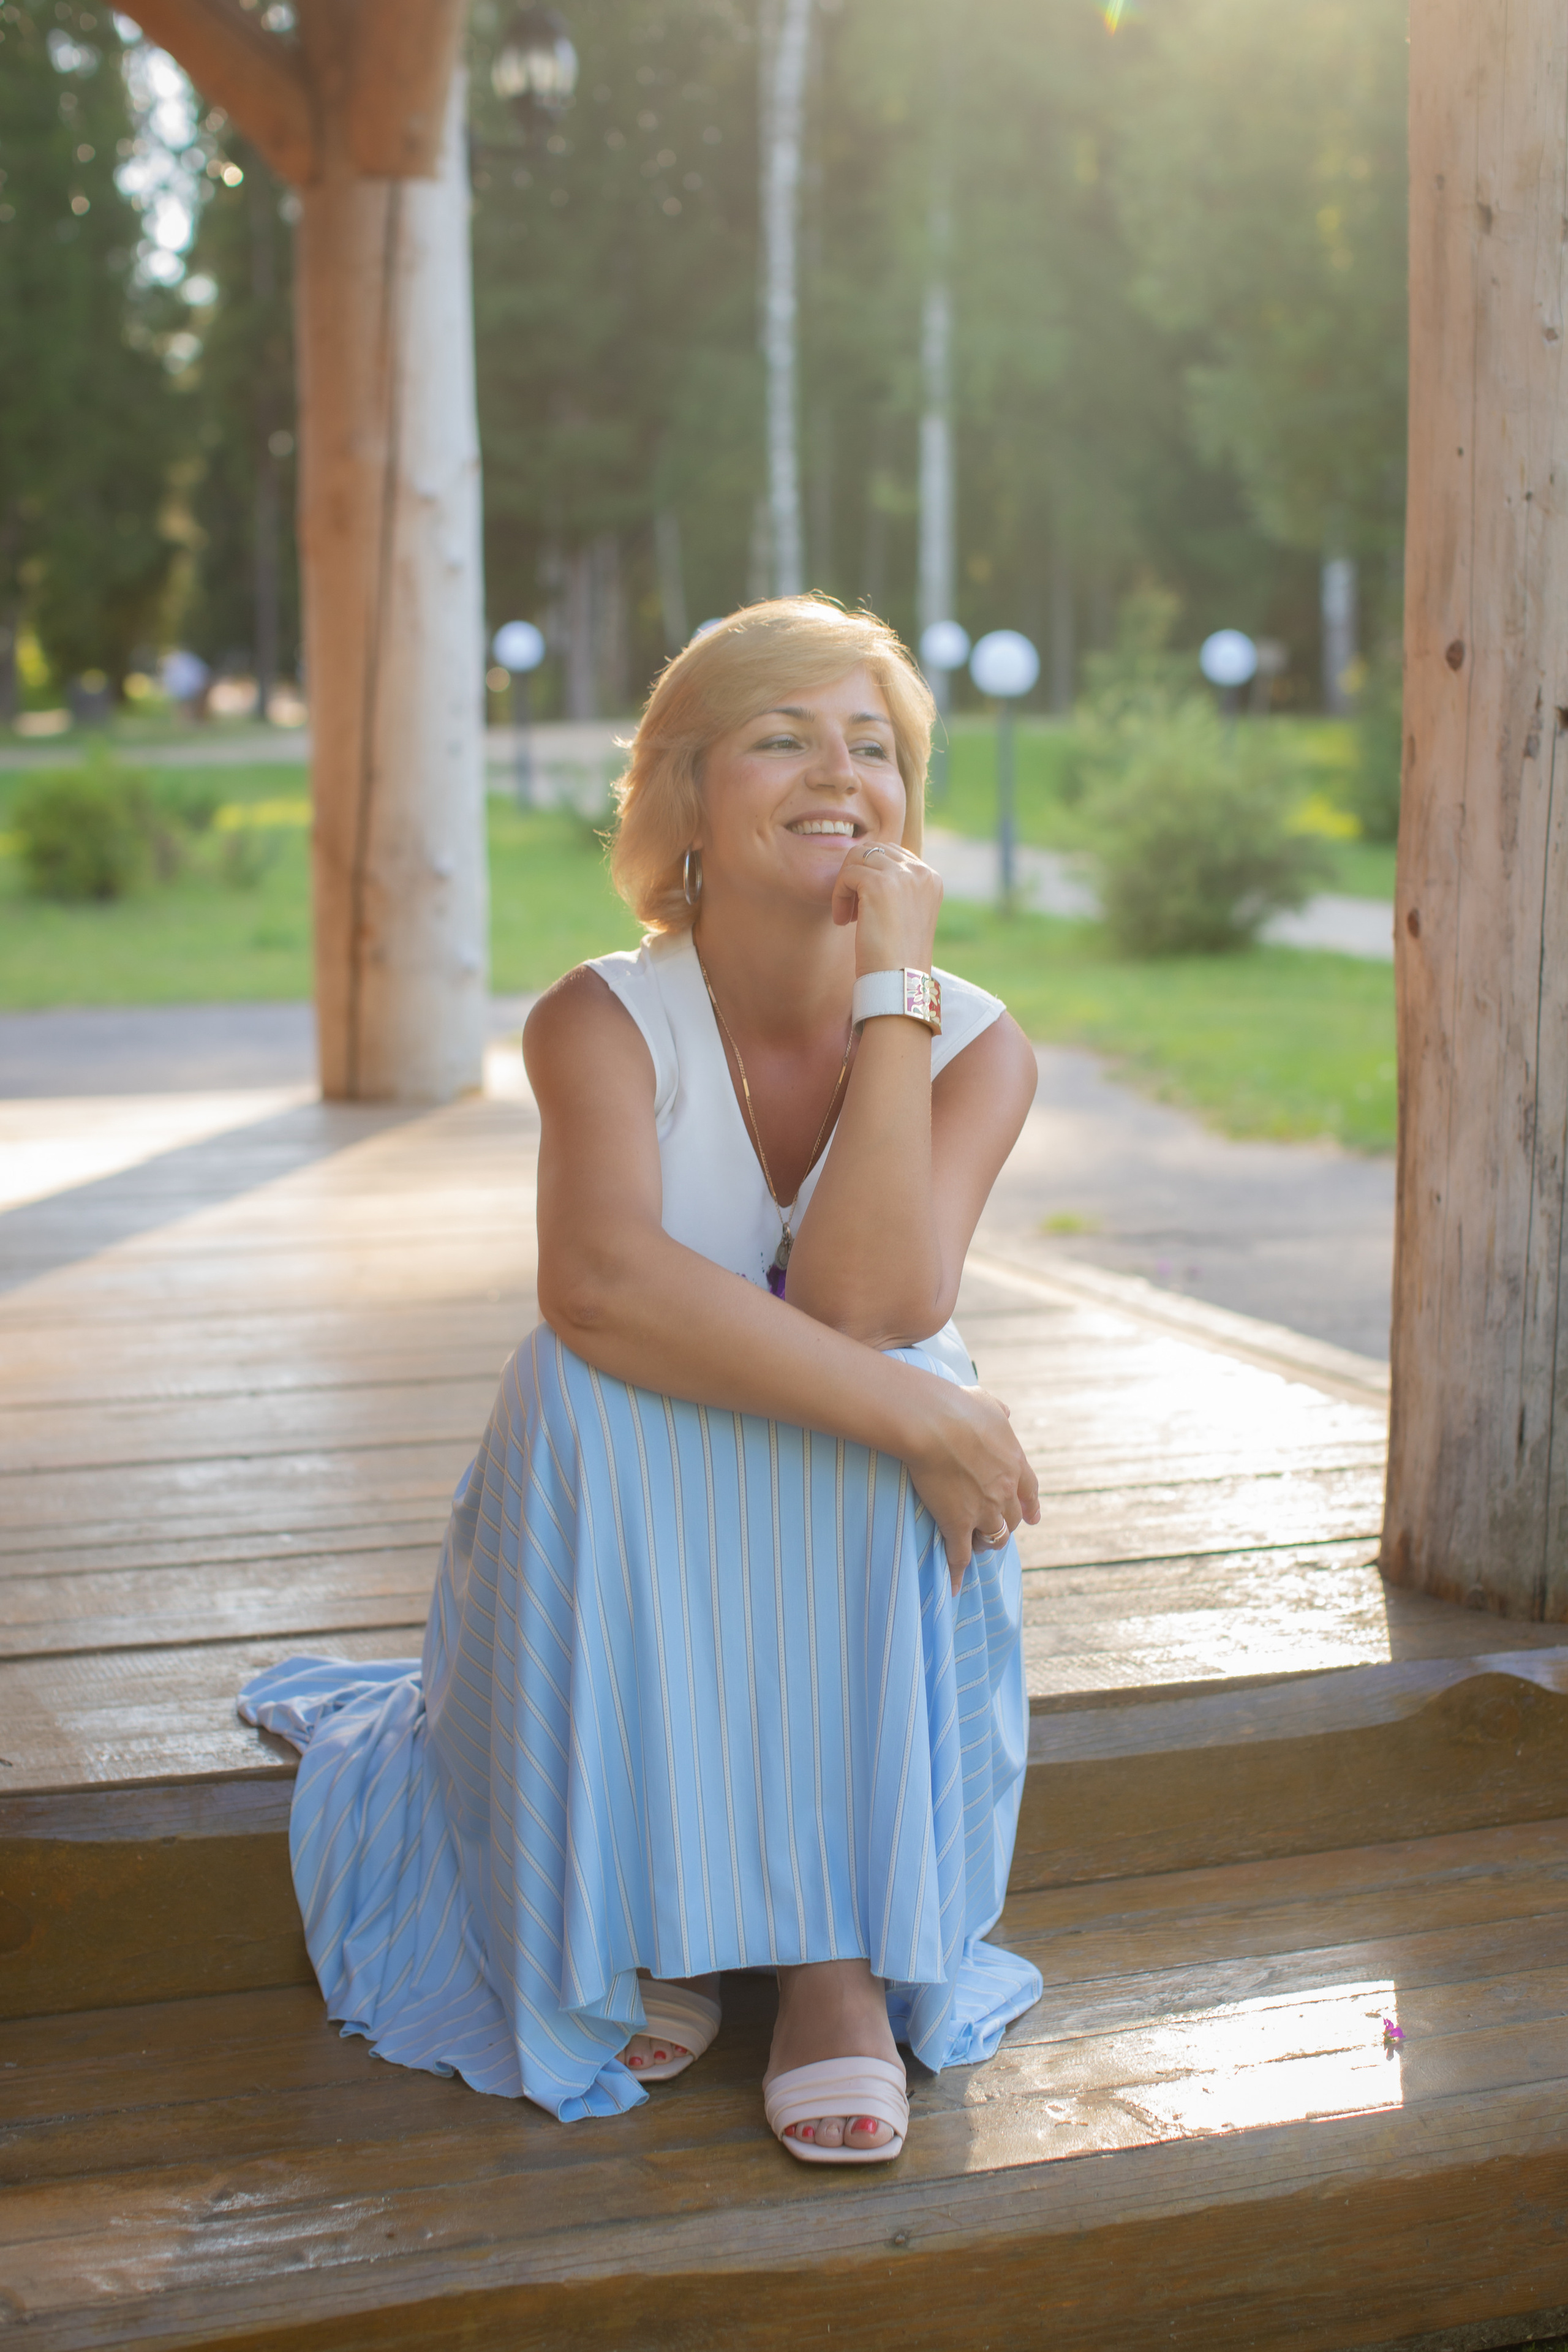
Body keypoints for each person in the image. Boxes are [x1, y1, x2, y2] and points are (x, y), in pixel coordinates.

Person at [240, 595, 1044, 2166]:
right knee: (615, 1385)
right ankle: (643, 1903)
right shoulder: (599, 1021)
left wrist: (892, 995)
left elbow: (864, 1297)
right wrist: (923, 1417)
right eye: (779, 737)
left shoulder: (977, 1047)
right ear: (682, 793)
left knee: (880, 1371)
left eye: (872, 747)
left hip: (835, 1503)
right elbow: (599, 1285)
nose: (838, 776)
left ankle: (830, 1961)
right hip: (633, 1492)